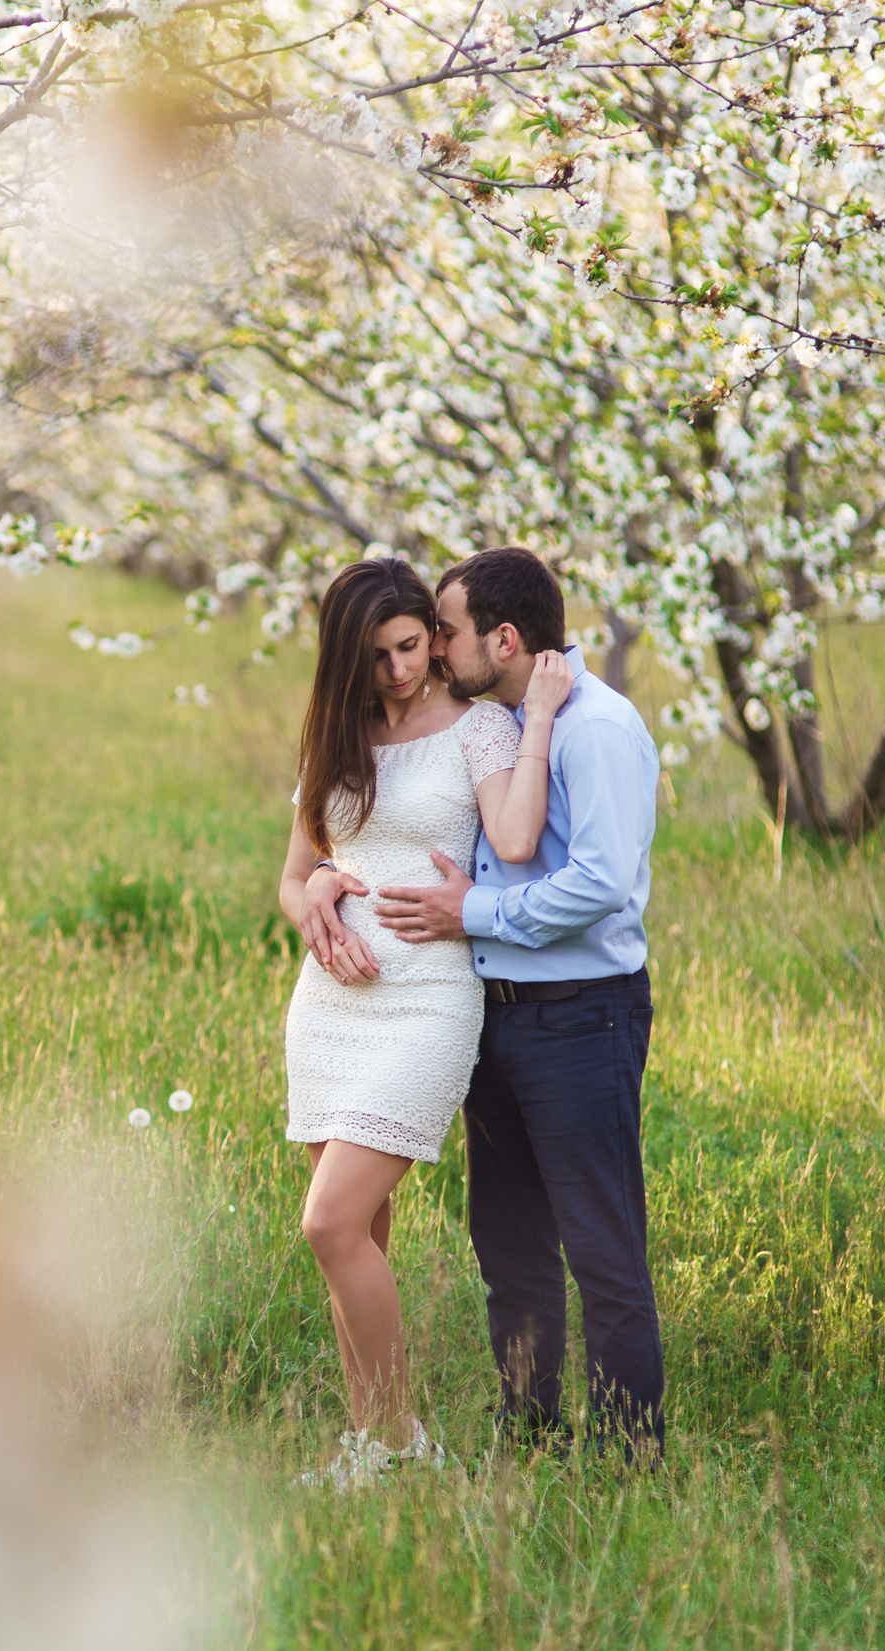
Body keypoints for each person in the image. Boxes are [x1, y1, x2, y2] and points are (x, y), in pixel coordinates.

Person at [313, 545, 668, 1461]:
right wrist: (319, 879)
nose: (434, 649)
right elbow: (348, 838)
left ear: (500, 640)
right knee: (509, 1249)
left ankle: (631, 1457)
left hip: (582, 1012)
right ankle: (532, 1439)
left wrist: (470, 909)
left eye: (445, 631)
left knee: (600, 1247)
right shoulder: (500, 720)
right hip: (497, 1010)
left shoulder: (590, 728)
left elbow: (595, 884)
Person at [276, 558, 569, 1489]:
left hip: (429, 1001)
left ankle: (404, 1441)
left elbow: (516, 840)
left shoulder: (479, 726)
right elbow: (295, 873)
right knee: (361, 1234)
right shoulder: (334, 734)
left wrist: (542, 724)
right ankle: (370, 1442)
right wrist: (316, 893)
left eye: (412, 646)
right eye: (378, 657)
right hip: (329, 1005)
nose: (401, 669)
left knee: (329, 1224)